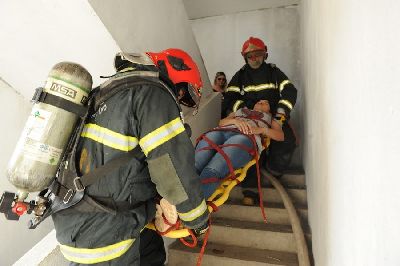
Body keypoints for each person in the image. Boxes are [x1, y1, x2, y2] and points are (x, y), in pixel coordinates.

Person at [51, 49, 209, 266]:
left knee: (152, 251)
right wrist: (197, 219)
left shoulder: (106, 93)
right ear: (175, 71)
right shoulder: (153, 94)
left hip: (74, 221)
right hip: (107, 234)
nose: (180, 99)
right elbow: (171, 166)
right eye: (183, 92)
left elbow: (125, 163)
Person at [222, 36, 298, 203]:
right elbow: (229, 97)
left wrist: (279, 116)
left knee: (287, 141)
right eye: (250, 56)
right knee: (250, 147)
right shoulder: (240, 76)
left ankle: (273, 172)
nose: (254, 58)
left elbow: (289, 91)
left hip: (273, 118)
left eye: (258, 54)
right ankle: (250, 190)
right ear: (245, 57)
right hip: (251, 118)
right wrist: (244, 112)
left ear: (265, 54)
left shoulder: (273, 72)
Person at [195, 100, 284, 198]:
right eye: (259, 101)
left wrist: (262, 130)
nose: (260, 102)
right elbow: (221, 122)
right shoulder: (241, 111)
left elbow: (280, 136)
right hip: (221, 131)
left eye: (265, 103)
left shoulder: (270, 118)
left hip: (245, 137)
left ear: (270, 110)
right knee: (197, 163)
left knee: (215, 167)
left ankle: (192, 204)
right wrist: (235, 121)